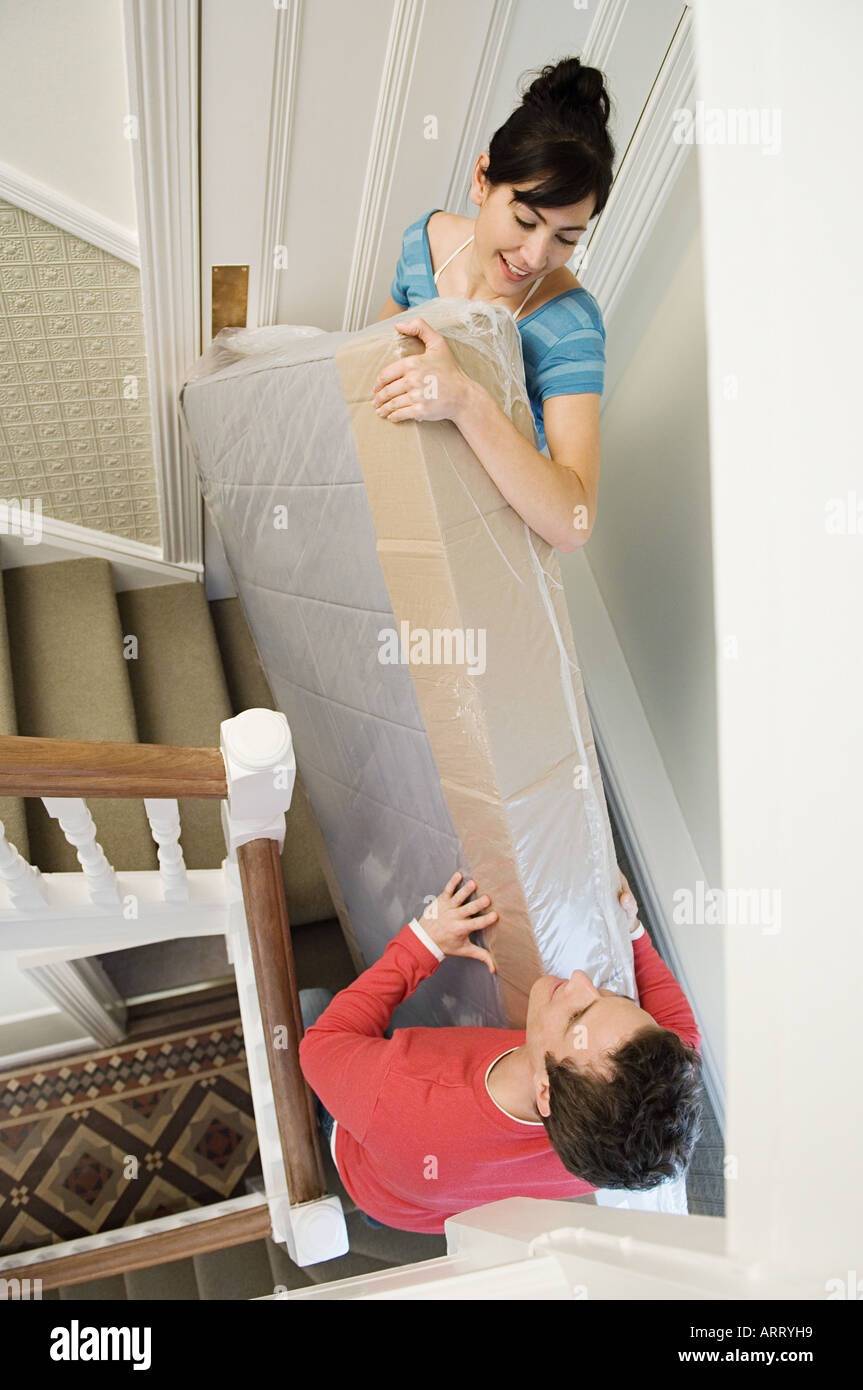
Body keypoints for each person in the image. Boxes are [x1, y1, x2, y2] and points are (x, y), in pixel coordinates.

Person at [298, 870, 703, 1235]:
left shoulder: (407, 1098)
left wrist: (424, 943)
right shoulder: (618, 1150)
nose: (581, 980)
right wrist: (632, 929)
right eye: (615, 999)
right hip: (434, 1205)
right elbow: (683, 1035)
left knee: (309, 1005)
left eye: (577, 1014)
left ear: (546, 1091)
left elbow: (321, 1045)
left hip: (370, 1173)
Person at [373, 56, 615, 554]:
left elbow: (574, 522)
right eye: (525, 221)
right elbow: (373, 355)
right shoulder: (426, 242)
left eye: (566, 238)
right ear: (482, 179)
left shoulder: (570, 326)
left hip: (476, 536)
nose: (535, 257)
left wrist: (464, 399)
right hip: (394, 490)